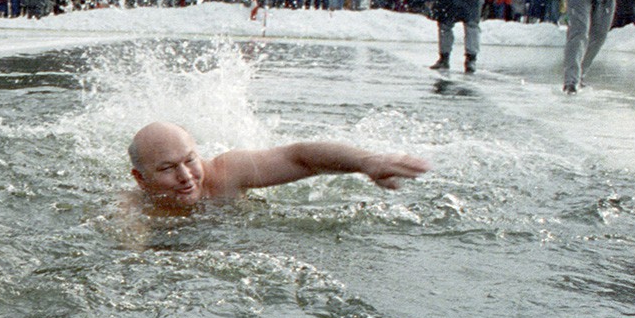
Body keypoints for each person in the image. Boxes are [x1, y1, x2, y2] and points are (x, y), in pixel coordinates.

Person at [128, 122, 430, 215]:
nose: (186, 177)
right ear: (141, 180)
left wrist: (366, 162)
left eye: (190, 160)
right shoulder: (135, 209)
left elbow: (299, 157)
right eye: (168, 168)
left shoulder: (226, 172)